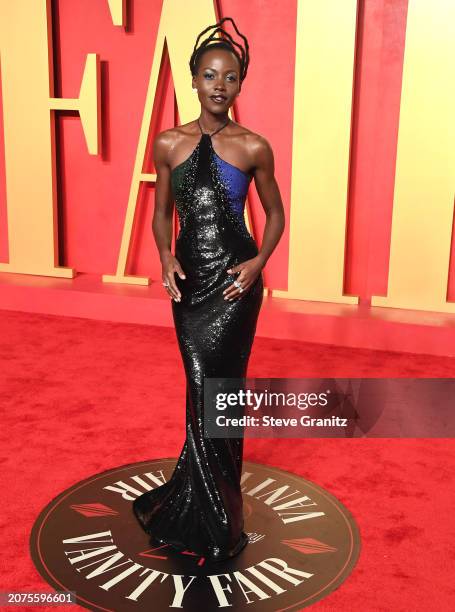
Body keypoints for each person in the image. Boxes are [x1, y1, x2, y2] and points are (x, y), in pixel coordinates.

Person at [132, 17, 285, 562]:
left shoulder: (253, 146)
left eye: (230, 77)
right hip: (191, 286)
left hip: (234, 288)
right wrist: (166, 255)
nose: (220, 85)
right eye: (209, 75)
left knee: (219, 395)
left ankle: (221, 522)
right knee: (200, 394)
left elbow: (274, 215)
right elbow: (160, 215)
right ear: (193, 81)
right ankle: (199, 506)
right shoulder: (168, 142)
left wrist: (257, 264)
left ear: (240, 85)